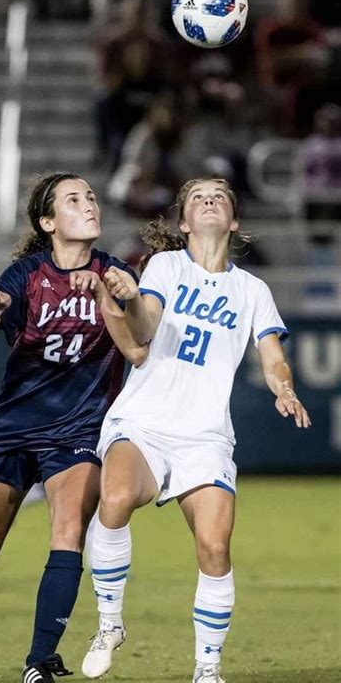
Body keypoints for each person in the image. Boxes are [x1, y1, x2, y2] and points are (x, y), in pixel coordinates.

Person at [0, 172, 148, 683]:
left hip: (81, 429)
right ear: (48, 222)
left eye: (90, 196)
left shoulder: (115, 272)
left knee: (67, 536)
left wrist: (126, 294)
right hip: (12, 428)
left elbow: (140, 340)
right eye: (73, 199)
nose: (88, 204)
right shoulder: (25, 274)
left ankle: (38, 662)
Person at [81, 177, 311, 683]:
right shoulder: (165, 266)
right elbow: (143, 331)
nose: (209, 201)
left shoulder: (253, 290)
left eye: (219, 197)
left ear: (233, 221)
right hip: (143, 421)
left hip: (205, 434)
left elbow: (273, 356)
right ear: (184, 222)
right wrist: (131, 299)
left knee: (214, 546)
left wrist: (284, 388)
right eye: (198, 198)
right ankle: (109, 624)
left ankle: (207, 670)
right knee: (115, 498)